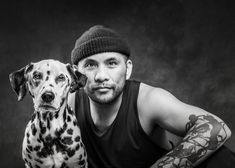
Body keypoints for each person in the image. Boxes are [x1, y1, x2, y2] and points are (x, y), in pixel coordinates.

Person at [68, 25, 233, 168]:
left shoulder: (147, 100)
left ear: (128, 69)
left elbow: (216, 128)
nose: (101, 76)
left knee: (220, 158)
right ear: (76, 73)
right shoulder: (66, 104)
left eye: (112, 63)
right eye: (90, 65)